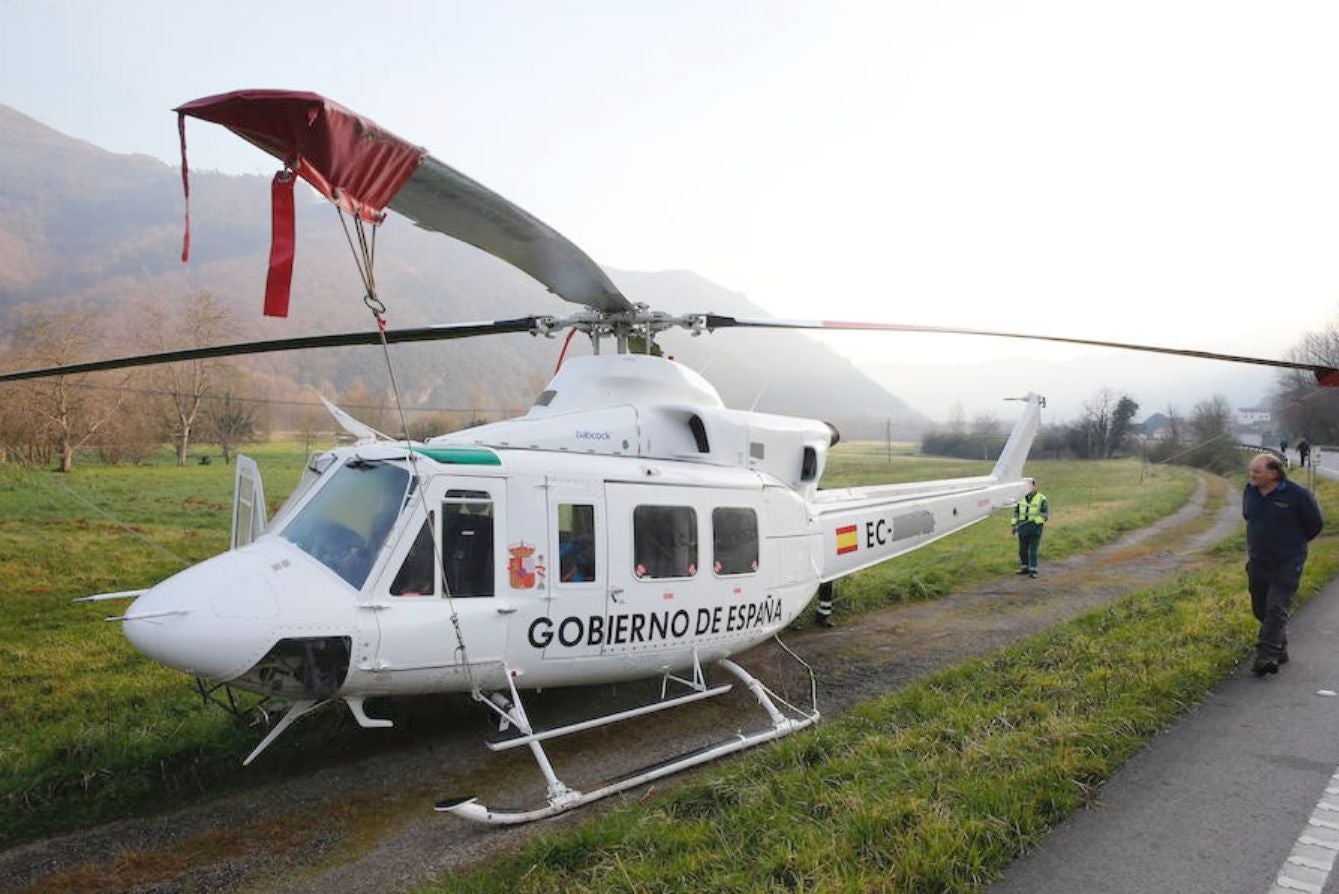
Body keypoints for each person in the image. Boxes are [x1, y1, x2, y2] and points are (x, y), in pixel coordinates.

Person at [1243, 453, 1323, 676]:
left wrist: (1292, 544)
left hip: (1287, 561)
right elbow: (1248, 515)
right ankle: (1279, 646)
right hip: (1258, 560)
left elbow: (1315, 525)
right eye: (1251, 471)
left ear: (1274, 473)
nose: (1252, 475)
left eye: (1257, 472)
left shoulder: (1297, 495)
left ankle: (1266, 655)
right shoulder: (1250, 491)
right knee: (1260, 608)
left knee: (1277, 606)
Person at [1011, 479, 1049, 578]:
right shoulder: (1020, 499)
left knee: (1033, 550)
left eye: (1030, 486)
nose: (1028, 489)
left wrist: (1037, 520)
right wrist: (1014, 525)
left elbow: (1045, 515)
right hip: (1022, 527)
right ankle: (1024, 567)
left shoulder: (1042, 499)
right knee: (1022, 549)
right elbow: (1016, 513)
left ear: (1034, 486)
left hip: (1035, 528)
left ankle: (1033, 570)